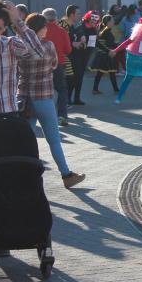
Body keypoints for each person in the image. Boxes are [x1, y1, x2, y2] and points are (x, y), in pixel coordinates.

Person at [17, 13, 86, 189]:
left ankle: (22, 176)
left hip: (24, 98)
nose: (47, 29)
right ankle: (66, 174)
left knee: (26, 140)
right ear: (39, 29)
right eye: (45, 26)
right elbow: (55, 65)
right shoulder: (48, 45)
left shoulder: (20, 46)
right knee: (53, 140)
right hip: (44, 97)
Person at [110, 16, 142, 105]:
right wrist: (115, 50)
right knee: (128, 78)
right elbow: (127, 42)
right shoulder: (137, 34)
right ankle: (119, 97)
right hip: (134, 59)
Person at [42, 8, 72, 127]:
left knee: (44, 91)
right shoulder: (62, 31)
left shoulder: (39, 31)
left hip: (43, 64)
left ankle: (46, 117)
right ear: (56, 18)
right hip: (59, 63)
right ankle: (62, 116)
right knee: (62, 90)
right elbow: (68, 50)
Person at [70, 11, 100, 106]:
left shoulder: (93, 29)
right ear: (88, 17)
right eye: (92, 18)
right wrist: (82, 37)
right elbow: (79, 33)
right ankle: (67, 98)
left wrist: (109, 51)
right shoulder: (81, 27)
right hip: (76, 55)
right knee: (74, 78)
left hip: (85, 56)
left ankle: (76, 98)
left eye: (96, 19)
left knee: (80, 78)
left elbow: (95, 42)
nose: (94, 21)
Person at [90, 15, 119, 94]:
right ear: (108, 22)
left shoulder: (104, 29)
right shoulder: (106, 31)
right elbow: (109, 43)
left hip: (104, 54)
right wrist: (116, 45)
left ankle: (96, 89)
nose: (113, 22)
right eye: (112, 21)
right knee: (108, 72)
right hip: (106, 54)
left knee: (104, 72)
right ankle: (115, 89)